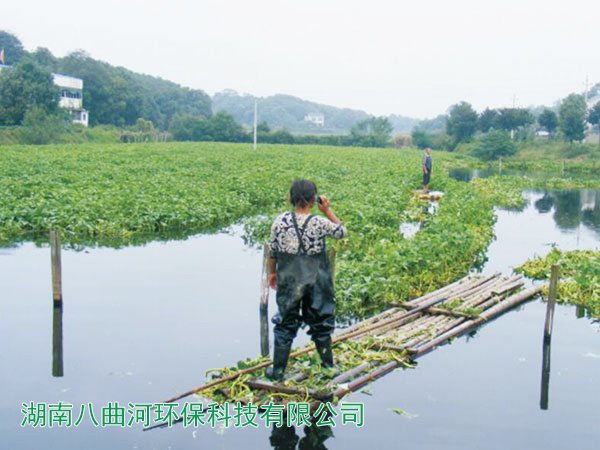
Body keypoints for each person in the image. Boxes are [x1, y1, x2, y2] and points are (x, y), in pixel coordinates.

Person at [266, 179, 347, 381]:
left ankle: (277, 372)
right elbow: (341, 232)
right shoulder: (319, 222)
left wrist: (272, 273)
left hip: (289, 279)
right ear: (313, 200)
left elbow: (273, 252)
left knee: (285, 322)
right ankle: (327, 368)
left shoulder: (280, 221)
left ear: (291, 198)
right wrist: (327, 210)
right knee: (321, 320)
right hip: (316, 280)